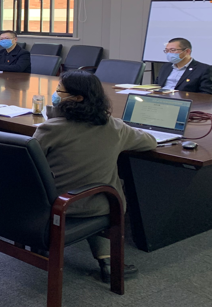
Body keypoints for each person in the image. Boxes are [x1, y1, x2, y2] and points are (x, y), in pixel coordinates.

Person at [33, 70, 156, 282]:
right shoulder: (115, 127)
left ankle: (101, 257)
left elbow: (33, 165)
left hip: (54, 203)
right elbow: (150, 142)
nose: (55, 95)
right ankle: (107, 261)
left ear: (77, 98)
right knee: (106, 182)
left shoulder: (49, 129)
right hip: (101, 203)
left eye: (59, 91)